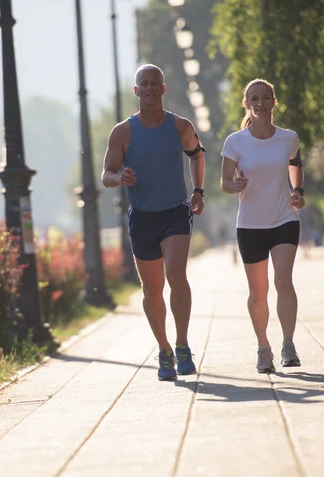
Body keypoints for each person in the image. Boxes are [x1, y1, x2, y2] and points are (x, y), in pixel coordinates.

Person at [101, 64, 206, 381]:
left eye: (154, 84)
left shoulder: (180, 126)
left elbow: (197, 155)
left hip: (175, 211)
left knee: (176, 274)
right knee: (152, 288)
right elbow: (106, 175)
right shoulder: (123, 132)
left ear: (163, 89)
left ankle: (183, 344)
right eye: (143, 84)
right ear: (136, 91)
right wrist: (120, 177)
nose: (148, 89)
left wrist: (198, 191)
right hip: (142, 216)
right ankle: (164, 350)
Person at [220, 78, 305, 374]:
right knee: (258, 290)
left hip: (284, 219)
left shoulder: (288, 138)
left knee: (283, 281)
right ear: (247, 104)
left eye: (265, 98)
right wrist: (235, 184)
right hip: (251, 225)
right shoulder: (234, 142)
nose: (259, 103)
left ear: (273, 102)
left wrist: (298, 191)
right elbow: (225, 183)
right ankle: (262, 347)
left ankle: (288, 344)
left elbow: (296, 164)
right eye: (254, 98)